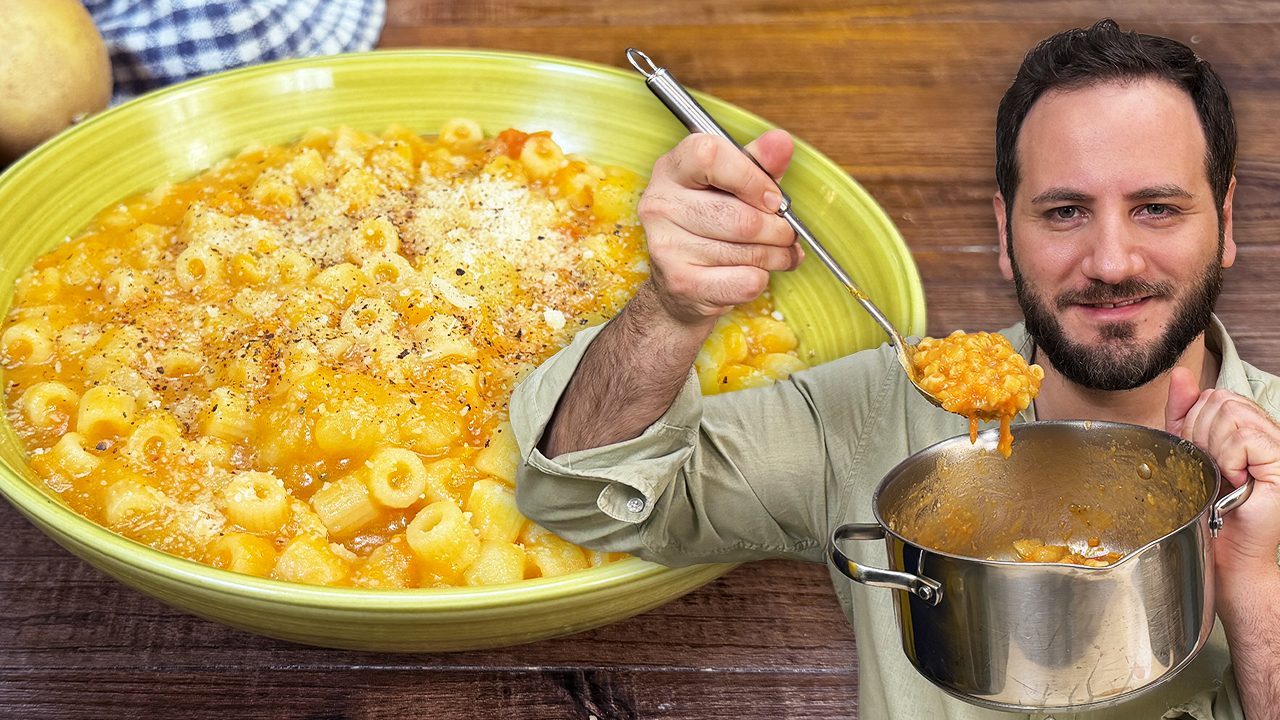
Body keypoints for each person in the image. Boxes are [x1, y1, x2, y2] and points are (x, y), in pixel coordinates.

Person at [511, 18, 1280, 720]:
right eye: (1064, 212)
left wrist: (1257, 583)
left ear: (1225, 222)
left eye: (1157, 209)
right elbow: (584, 490)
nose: (1111, 262)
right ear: (1005, 236)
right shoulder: (877, 415)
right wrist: (671, 309)